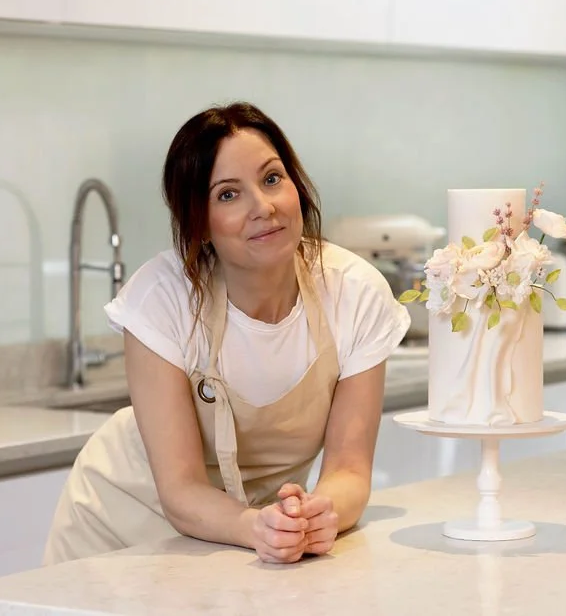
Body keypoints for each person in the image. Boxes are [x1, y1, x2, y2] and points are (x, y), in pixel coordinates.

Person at [43, 101, 411, 565]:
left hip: (249, 533)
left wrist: (321, 515)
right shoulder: (162, 298)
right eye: (228, 195)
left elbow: (349, 470)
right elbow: (180, 491)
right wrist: (254, 526)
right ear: (199, 222)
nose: (264, 207)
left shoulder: (354, 293)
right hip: (124, 519)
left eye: (272, 178)